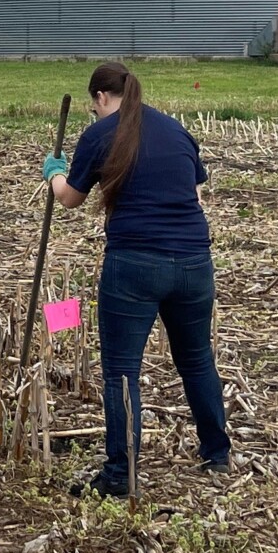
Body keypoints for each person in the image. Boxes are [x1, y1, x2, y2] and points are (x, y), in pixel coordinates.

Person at [41, 59, 228, 493]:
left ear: (102, 98)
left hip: (135, 266)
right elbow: (196, 191)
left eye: (94, 107)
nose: (94, 113)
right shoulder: (176, 130)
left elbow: (70, 199)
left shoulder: (99, 134)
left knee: (121, 371)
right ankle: (217, 454)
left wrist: (54, 173)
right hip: (195, 264)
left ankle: (120, 474)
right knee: (197, 358)